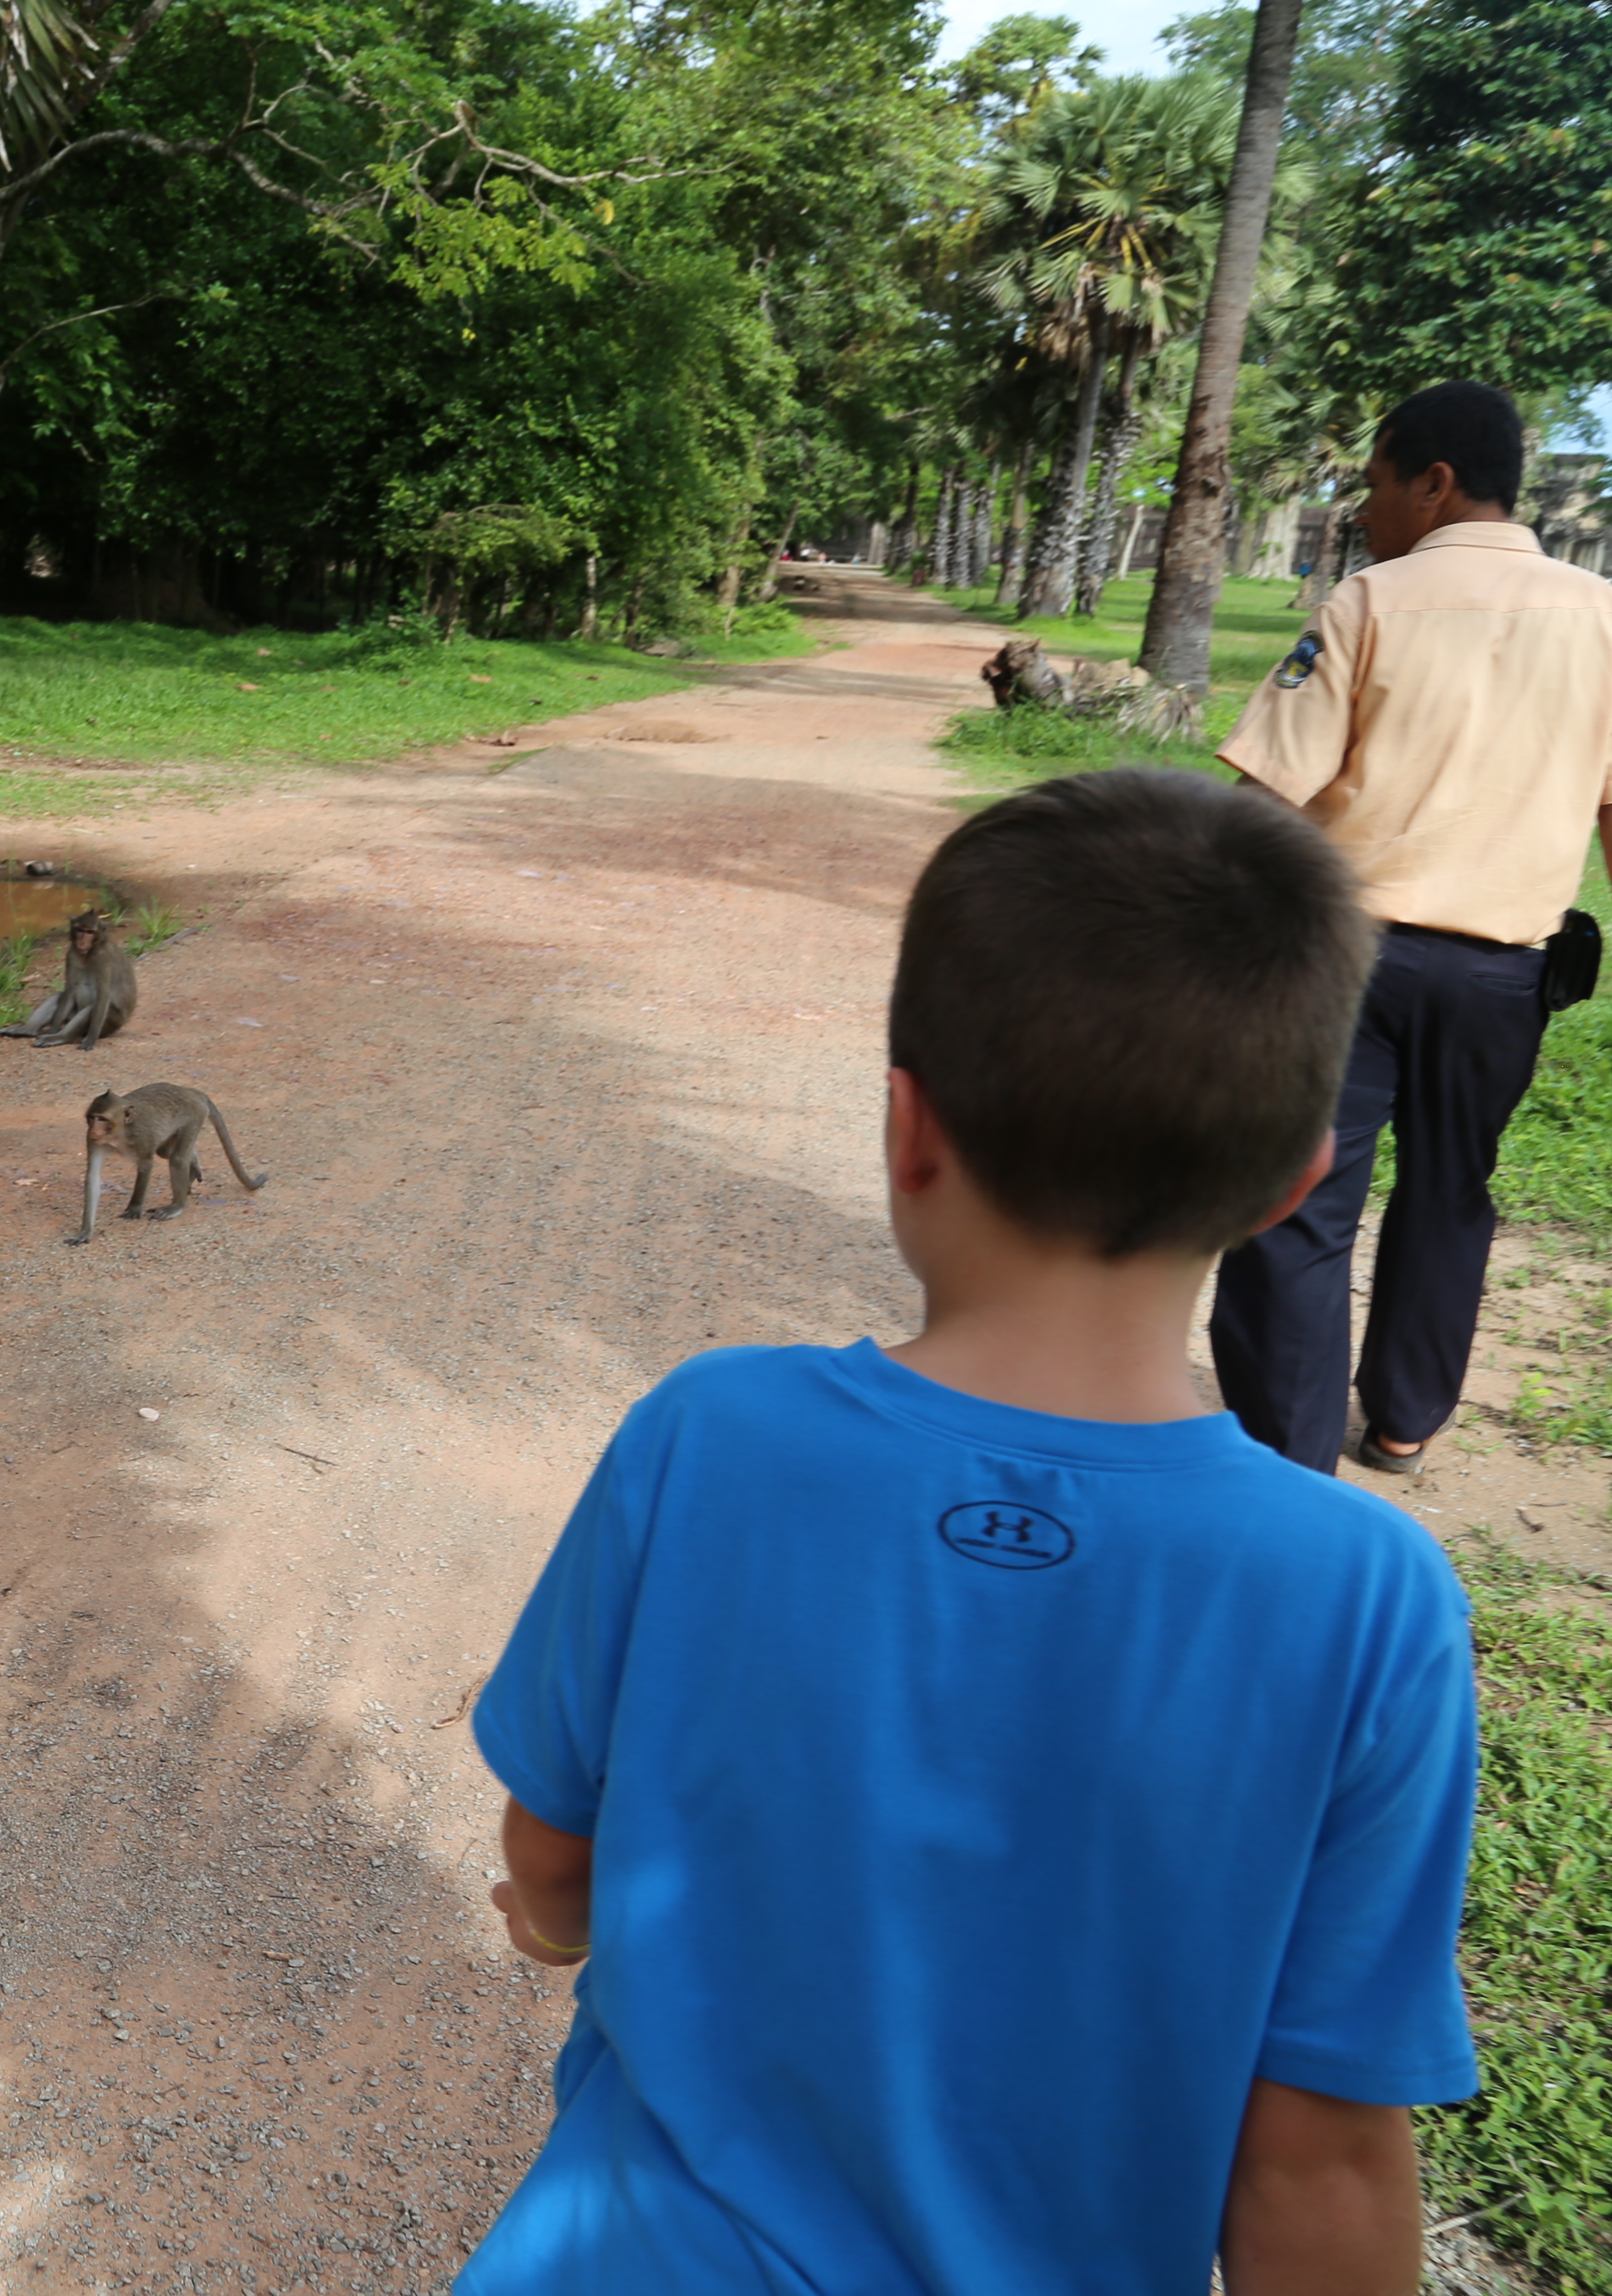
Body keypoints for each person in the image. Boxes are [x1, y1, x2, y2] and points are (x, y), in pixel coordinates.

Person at [463, 770, 1477, 2293]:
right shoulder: (1364, 1595)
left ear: (906, 1129)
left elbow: (556, 1841)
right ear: (1298, 1182)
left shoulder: (713, 1430)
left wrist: (556, 1923)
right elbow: (1321, 2154)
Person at [1209, 379, 1612, 1476]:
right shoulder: (1605, 618)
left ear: (1434, 483)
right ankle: (1402, 1417)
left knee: (1298, 1199)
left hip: (1344, 959)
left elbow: (1267, 798)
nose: (1365, 506)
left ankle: (1290, 1460)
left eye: (1377, 481)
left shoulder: (1369, 604)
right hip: (1504, 976)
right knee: (1451, 1191)